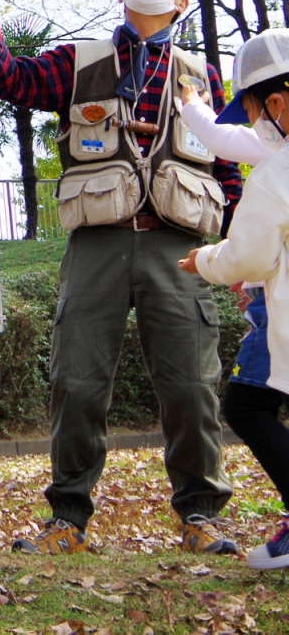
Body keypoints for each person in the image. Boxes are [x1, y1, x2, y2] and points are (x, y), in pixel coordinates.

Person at [0, 0, 244, 556]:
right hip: (96, 247)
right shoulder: (78, 61)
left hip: (181, 248)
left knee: (192, 384)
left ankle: (202, 515)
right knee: (77, 382)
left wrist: (247, 253)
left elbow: (228, 167)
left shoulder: (205, 75)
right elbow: (14, 81)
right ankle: (67, 520)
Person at [178, 29, 289, 569]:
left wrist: (203, 261)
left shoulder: (276, 171)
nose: (255, 127)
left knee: (247, 406)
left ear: (276, 104)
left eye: (254, 113)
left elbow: (248, 258)